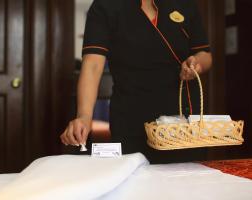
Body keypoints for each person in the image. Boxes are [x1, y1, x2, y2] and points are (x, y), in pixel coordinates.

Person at [60, 0, 212, 163]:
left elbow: (204, 54)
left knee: (187, 181)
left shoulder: (185, 4)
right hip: (131, 117)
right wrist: (84, 116)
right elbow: (92, 65)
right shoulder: (104, 6)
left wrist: (196, 63)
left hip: (183, 120)